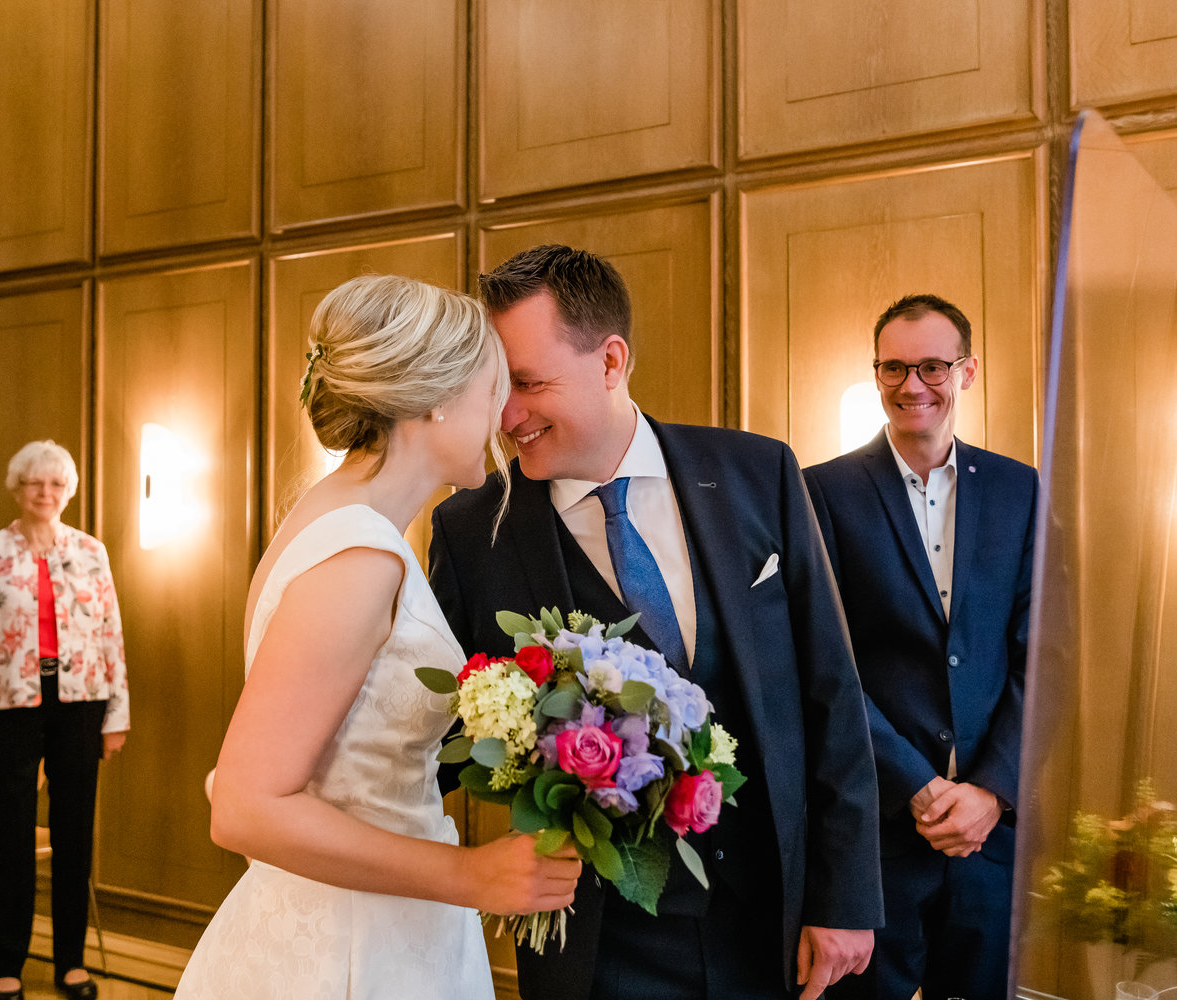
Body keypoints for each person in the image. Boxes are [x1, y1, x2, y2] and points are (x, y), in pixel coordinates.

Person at [429, 245, 884, 1000]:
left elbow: (831, 692)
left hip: (772, 916)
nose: (506, 415)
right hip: (598, 939)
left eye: (529, 383)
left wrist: (846, 900)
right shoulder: (472, 530)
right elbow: (439, 737)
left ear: (611, 362)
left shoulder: (758, 473)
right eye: (494, 387)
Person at [175, 274, 582, 999]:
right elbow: (242, 804)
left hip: (377, 927)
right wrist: (471, 875)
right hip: (346, 952)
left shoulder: (340, 520)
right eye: (494, 388)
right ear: (436, 398)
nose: (505, 412)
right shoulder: (358, 554)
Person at [803, 294, 1036, 1000]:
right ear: (876, 374)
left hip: (991, 839)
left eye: (932, 367)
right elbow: (826, 664)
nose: (912, 386)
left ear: (967, 372)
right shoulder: (822, 492)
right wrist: (923, 788)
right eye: (894, 368)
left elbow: (1039, 653)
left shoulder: (1019, 489)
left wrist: (991, 791)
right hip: (878, 833)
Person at [0, 440, 130, 1000]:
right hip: (8, 707)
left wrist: (116, 713)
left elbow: (110, 634)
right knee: (12, 837)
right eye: (34, 483)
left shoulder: (91, 551)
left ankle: (70, 963)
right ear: (17, 488)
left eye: (55, 485)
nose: (45, 494)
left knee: (74, 836)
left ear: (67, 491)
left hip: (82, 705)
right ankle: (7, 966)